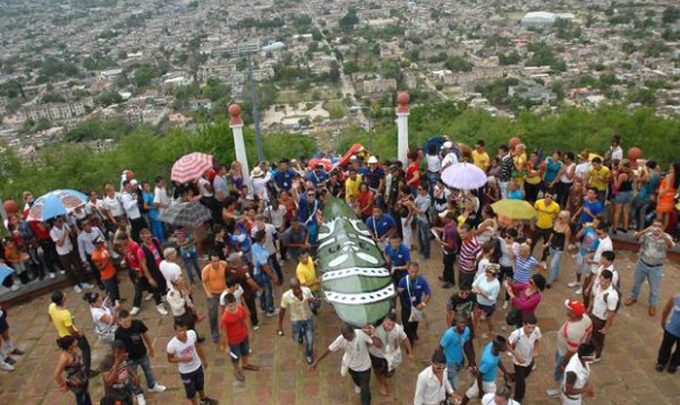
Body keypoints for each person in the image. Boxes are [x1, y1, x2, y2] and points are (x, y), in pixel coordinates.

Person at [311, 323, 376, 405]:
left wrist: (371, 335)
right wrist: (317, 361)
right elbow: (329, 350)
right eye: (346, 338)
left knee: (365, 388)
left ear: (353, 332)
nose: (348, 339)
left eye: (349, 337)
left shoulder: (361, 334)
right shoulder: (341, 339)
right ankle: (358, 385)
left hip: (365, 367)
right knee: (356, 379)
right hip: (351, 365)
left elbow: (372, 342)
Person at [626, 218, 675, 317]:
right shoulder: (646, 235)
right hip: (642, 263)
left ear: (662, 227)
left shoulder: (666, 237)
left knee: (654, 289)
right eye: (655, 226)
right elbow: (635, 237)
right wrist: (645, 230)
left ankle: (653, 305)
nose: (656, 228)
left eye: (659, 226)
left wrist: (663, 236)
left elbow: (670, 246)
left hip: (656, 267)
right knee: (637, 283)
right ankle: (633, 297)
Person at [546, 300, 593, 398]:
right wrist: (584, 344)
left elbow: (571, 351)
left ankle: (559, 390)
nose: (567, 309)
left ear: (574, 314)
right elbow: (589, 332)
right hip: (570, 349)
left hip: (564, 353)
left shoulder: (573, 331)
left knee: (561, 372)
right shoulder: (586, 318)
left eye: (569, 309)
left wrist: (564, 363)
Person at [115, 310, 166, 395]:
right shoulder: (118, 333)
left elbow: (145, 335)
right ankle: (138, 393)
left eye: (129, 320)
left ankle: (152, 386)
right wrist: (122, 356)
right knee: (133, 377)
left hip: (142, 354)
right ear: (119, 321)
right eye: (125, 322)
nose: (128, 323)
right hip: (130, 359)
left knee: (148, 371)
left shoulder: (137, 324)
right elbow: (118, 347)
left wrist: (150, 347)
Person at [166, 321, 217, 405]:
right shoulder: (171, 345)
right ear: (175, 332)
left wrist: (204, 360)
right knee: (190, 391)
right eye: (180, 331)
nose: (183, 333)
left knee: (200, 384)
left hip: (197, 365)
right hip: (186, 372)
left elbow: (197, 347)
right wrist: (182, 359)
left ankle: (203, 400)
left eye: (184, 330)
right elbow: (170, 359)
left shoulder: (192, 334)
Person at [49, 290, 97, 377]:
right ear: (62, 299)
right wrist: (78, 335)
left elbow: (50, 316)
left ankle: (78, 369)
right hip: (71, 336)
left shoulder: (52, 306)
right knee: (85, 349)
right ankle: (86, 371)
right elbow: (70, 328)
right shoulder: (65, 314)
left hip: (62, 335)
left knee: (72, 353)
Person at [367, 312, 412, 396]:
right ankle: (381, 383)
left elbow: (405, 339)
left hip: (390, 354)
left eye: (392, 325)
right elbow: (378, 344)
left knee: (389, 370)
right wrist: (372, 335)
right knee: (379, 370)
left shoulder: (398, 329)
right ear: (384, 321)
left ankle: (384, 377)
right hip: (377, 354)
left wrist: (409, 352)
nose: (390, 327)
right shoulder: (376, 330)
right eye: (388, 324)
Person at [460, 336, 511, 405]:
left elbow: (497, 359)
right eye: (503, 347)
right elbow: (479, 374)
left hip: (483, 380)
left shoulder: (491, 345)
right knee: (495, 400)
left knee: (471, 393)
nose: (506, 348)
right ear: (497, 347)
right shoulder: (489, 361)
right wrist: (481, 390)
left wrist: (505, 372)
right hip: (488, 382)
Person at [220, 292, 258, 383]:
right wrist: (226, 346)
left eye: (233, 305)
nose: (232, 308)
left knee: (245, 351)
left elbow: (245, 319)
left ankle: (245, 364)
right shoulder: (224, 318)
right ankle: (236, 370)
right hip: (233, 341)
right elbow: (224, 332)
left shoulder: (241, 309)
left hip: (243, 336)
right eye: (230, 306)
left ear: (236, 302)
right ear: (226, 306)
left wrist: (249, 332)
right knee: (236, 357)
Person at [277, 278, 316, 365]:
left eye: (298, 287)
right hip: (296, 320)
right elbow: (282, 311)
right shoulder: (286, 296)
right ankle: (300, 336)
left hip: (307, 317)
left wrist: (311, 301)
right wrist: (280, 325)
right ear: (291, 288)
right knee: (297, 335)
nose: (297, 290)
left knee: (310, 339)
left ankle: (309, 354)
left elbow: (311, 299)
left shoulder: (307, 291)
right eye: (295, 289)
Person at [51, 216, 90, 293]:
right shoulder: (52, 232)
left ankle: (83, 282)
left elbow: (72, 235)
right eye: (58, 221)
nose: (60, 222)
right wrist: (64, 235)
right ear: (54, 222)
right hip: (63, 253)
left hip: (71, 248)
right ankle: (75, 285)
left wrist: (71, 232)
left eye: (60, 220)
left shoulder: (65, 225)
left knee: (78, 265)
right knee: (69, 270)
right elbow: (60, 244)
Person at [99, 339, 145, 405]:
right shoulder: (106, 362)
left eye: (122, 352)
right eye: (119, 353)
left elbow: (125, 366)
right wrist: (117, 363)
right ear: (114, 351)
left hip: (125, 390)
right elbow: (109, 381)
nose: (121, 355)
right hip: (114, 395)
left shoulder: (122, 356)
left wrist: (134, 375)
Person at [508, 314, 541, 403]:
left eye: (533, 328)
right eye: (529, 327)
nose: (531, 330)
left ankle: (510, 376)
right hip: (518, 362)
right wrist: (517, 356)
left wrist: (536, 349)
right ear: (523, 324)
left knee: (526, 374)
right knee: (521, 383)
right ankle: (517, 400)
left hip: (529, 359)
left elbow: (537, 340)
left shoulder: (536, 330)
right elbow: (508, 345)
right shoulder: (516, 334)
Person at [587, 269, 618, 362]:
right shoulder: (598, 286)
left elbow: (611, 313)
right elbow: (593, 297)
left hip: (601, 319)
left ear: (610, 281)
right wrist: (589, 308)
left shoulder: (612, 295)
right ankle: (590, 352)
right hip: (593, 314)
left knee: (598, 339)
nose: (603, 283)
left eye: (605, 281)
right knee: (591, 335)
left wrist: (606, 327)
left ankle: (597, 356)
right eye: (601, 280)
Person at [440, 313, 476, 392]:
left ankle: (446, 394)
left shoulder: (467, 330)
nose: (463, 326)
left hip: (459, 360)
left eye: (464, 323)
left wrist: (471, 361)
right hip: (449, 363)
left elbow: (466, 345)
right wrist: (441, 364)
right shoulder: (449, 334)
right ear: (455, 323)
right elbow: (440, 348)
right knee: (455, 386)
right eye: (460, 324)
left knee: (450, 382)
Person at [397, 262, 431, 345]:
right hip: (406, 306)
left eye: (415, 272)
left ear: (418, 271)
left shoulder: (422, 281)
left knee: (415, 322)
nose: (413, 274)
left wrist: (423, 304)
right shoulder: (403, 281)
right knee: (406, 325)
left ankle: (414, 333)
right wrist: (399, 292)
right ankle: (409, 343)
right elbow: (399, 293)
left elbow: (428, 294)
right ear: (408, 270)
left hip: (417, 306)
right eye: (411, 272)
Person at [54, 335, 93, 405]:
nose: (76, 342)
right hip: (76, 383)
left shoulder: (72, 351)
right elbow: (56, 375)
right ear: (70, 346)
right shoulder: (65, 358)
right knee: (82, 400)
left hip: (82, 379)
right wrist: (63, 385)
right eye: (74, 342)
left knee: (87, 397)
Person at [201, 251, 227, 343]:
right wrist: (208, 293)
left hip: (224, 291)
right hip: (213, 294)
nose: (216, 263)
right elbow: (204, 282)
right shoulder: (206, 270)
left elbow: (228, 276)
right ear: (210, 262)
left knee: (229, 310)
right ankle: (214, 332)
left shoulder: (224, 265)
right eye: (214, 261)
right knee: (213, 313)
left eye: (217, 260)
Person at [252, 230, 277, 317]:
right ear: (262, 239)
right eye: (265, 237)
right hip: (262, 274)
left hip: (256, 272)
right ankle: (270, 310)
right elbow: (266, 267)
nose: (266, 238)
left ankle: (263, 307)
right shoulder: (262, 252)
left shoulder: (254, 246)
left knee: (261, 290)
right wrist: (273, 277)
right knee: (268, 291)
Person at [472, 264, 501, 338]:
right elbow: (474, 284)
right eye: (487, 271)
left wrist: (482, 293)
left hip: (488, 305)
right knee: (477, 315)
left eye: (489, 272)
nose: (486, 273)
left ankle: (490, 331)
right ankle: (475, 330)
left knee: (488, 319)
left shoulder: (496, 284)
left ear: (493, 274)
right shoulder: (483, 276)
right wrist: (478, 290)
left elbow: (492, 298)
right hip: (478, 301)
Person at [545, 210, 572, 288]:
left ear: (566, 219)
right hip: (552, 246)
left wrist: (564, 251)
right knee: (555, 262)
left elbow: (566, 241)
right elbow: (552, 234)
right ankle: (557, 275)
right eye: (559, 217)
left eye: (561, 218)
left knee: (553, 265)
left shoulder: (567, 229)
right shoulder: (556, 223)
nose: (559, 219)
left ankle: (550, 281)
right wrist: (548, 242)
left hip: (559, 249)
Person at [531, 193, 560, 264]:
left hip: (548, 228)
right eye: (547, 196)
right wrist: (532, 224)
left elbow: (556, 217)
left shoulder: (556, 206)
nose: (549, 198)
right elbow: (533, 213)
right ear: (544, 196)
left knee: (546, 245)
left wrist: (555, 227)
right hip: (538, 226)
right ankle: (528, 257)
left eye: (551, 197)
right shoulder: (538, 202)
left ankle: (543, 260)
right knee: (532, 243)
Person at [90, 236, 119, 304]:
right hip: (106, 275)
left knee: (116, 287)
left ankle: (118, 299)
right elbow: (100, 268)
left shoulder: (104, 248)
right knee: (111, 290)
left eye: (102, 242)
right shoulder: (95, 255)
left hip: (112, 271)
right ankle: (114, 303)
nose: (102, 243)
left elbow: (109, 257)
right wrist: (107, 260)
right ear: (96, 244)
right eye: (100, 243)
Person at [656, 293, 680, 374]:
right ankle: (662, 361)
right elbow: (666, 309)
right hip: (672, 329)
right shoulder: (675, 298)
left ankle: (674, 363)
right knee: (666, 345)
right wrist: (663, 320)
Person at [611, 159, 635, 233]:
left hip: (621, 193)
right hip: (629, 193)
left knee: (618, 211)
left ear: (624, 166)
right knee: (625, 211)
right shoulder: (632, 173)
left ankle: (615, 228)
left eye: (620, 164)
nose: (619, 166)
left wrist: (614, 177)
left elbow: (616, 187)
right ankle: (625, 227)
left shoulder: (622, 175)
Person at [295, 248, 321, 314]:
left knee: (318, 302)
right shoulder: (299, 270)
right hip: (309, 291)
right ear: (299, 258)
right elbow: (303, 285)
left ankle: (312, 306)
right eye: (303, 258)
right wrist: (316, 281)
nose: (306, 259)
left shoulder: (309, 259)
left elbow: (311, 264)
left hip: (316, 287)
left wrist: (315, 263)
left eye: (306, 256)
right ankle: (310, 307)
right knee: (316, 302)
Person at [437, 211, 459, 288]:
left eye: (442, 217)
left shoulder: (451, 230)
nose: (441, 218)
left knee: (449, 267)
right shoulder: (450, 224)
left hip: (450, 252)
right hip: (446, 251)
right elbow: (444, 229)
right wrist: (437, 229)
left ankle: (451, 281)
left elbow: (450, 245)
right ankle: (446, 277)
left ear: (447, 218)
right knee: (446, 265)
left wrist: (441, 242)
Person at [457, 224, 481, 290]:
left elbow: (480, 255)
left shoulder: (475, 244)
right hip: (461, 267)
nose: (460, 235)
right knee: (461, 285)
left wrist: (474, 263)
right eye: (460, 233)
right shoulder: (463, 239)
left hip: (468, 271)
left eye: (463, 233)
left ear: (469, 232)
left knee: (466, 288)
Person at [413, 185, 432, 259]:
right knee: (419, 236)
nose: (418, 190)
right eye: (418, 189)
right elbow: (415, 203)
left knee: (425, 238)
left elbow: (421, 211)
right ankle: (422, 250)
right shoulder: (419, 196)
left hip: (425, 221)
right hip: (418, 219)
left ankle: (426, 254)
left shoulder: (427, 199)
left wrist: (412, 206)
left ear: (425, 190)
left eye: (420, 189)